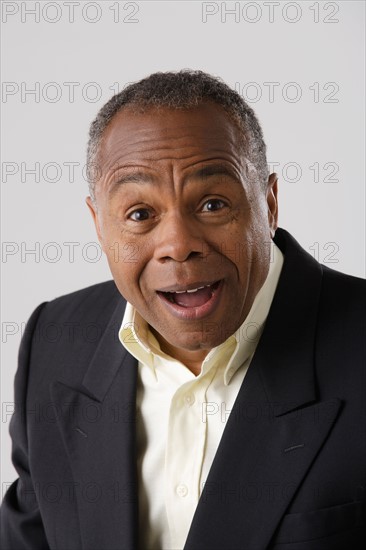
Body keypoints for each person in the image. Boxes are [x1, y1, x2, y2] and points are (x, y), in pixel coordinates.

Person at [1, 70, 365, 550]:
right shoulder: (55, 339)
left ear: (270, 204)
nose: (178, 245)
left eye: (213, 204)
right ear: (98, 224)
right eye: (139, 214)